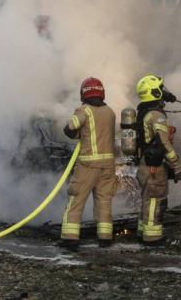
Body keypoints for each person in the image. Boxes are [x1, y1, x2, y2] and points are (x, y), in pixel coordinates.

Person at [60, 77, 117, 249]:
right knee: (104, 200)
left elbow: (71, 127)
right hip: (108, 165)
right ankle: (105, 238)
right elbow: (99, 134)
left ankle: (70, 238)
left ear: (83, 93)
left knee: (76, 198)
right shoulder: (110, 112)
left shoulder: (84, 110)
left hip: (88, 164)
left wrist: (74, 131)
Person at [134, 74, 181, 245]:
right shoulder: (157, 116)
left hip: (144, 164)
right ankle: (152, 236)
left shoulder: (143, 112)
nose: (164, 91)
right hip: (154, 167)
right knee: (156, 200)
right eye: (160, 88)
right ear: (154, 92)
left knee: (147, 200)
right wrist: (177, 166)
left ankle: (143, 231)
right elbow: (164, 144)